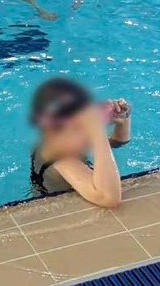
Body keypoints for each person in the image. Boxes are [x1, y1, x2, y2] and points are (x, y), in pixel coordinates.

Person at [28, 76, 131, 206]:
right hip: (60, 209)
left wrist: (122, 119)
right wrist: (97, 130)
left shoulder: (60, 136)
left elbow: (117, 143)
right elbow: (108, 198)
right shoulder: (59, 157)